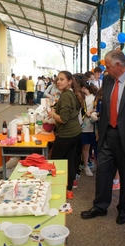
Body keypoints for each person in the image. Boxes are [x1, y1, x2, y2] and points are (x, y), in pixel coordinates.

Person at [80, 49, 125, 224]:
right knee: (103, 171)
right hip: (108, 134)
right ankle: (100, 206)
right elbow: (105, 106)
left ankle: (124, 208)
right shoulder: (109, 80)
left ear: (118, 65)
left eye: (108, 66)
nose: (105, 70)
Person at [46, 71, 83, 200]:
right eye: (58, 79)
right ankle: (68, 190)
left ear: (70, 81)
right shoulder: (71, 93)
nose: (59, 82)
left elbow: (64, 118)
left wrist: (52, 114)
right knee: (69, 161)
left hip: (67, 134)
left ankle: (53, 190)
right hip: (75, 133)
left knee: (54, 162)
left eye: (62, 79)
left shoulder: (66, 95)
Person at [80, 81, 97, 177]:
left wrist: (93, 111)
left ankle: (97, 166)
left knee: (96, 148)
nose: (82, 89)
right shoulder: (81, 98)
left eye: (84, 88)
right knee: (85, 146)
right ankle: (86, 166)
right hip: (84, 126)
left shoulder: (95, 96)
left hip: (94, 126)